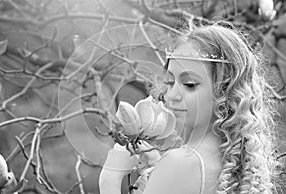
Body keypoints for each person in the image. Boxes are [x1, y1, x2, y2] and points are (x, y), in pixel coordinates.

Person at [99, 22, 280, 194]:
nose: (172, 95)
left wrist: (109, 180)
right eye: (170, 82)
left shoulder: (180, 164)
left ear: (224, 92)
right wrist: (155, 173)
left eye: (190, 84)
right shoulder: (234, 166)